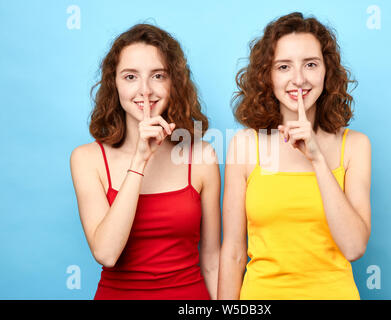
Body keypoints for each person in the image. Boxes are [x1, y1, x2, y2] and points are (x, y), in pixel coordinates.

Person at [218, 12, 371, 300]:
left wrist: (317, 159)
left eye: (310, 64)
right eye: (284, 66)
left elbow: (354, 248)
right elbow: (234, 253)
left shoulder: (356, 146)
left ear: (327, 72)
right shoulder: (244, 145)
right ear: (268, 76)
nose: (298, 79)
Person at [70, 24, 221, 300]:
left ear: (173, 82)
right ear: (114, 84)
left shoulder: (202, 157)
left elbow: (212, 258)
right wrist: (139, 161)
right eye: (130, 76)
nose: (145, 90)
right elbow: (106, 253)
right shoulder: (87, 159)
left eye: (158, 76)